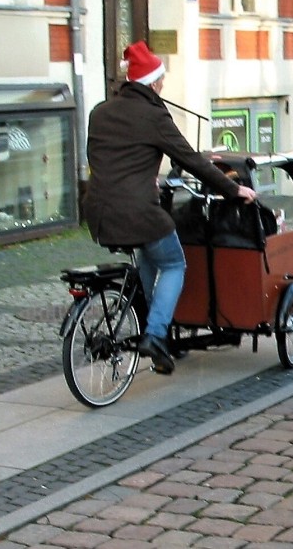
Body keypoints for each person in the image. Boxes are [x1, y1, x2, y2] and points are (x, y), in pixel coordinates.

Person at [84, 41, 257, 375]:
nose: (163, 85)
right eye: (161, 80)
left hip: (99, 211)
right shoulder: (153, 115)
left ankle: (157, 326)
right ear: (152, 83)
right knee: (175, 263)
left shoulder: (100, 112)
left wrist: (144, 179)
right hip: (138, 212)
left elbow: (104, 159)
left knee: (152, 258)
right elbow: (191, 160)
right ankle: (156, 334)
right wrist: (234, 189)